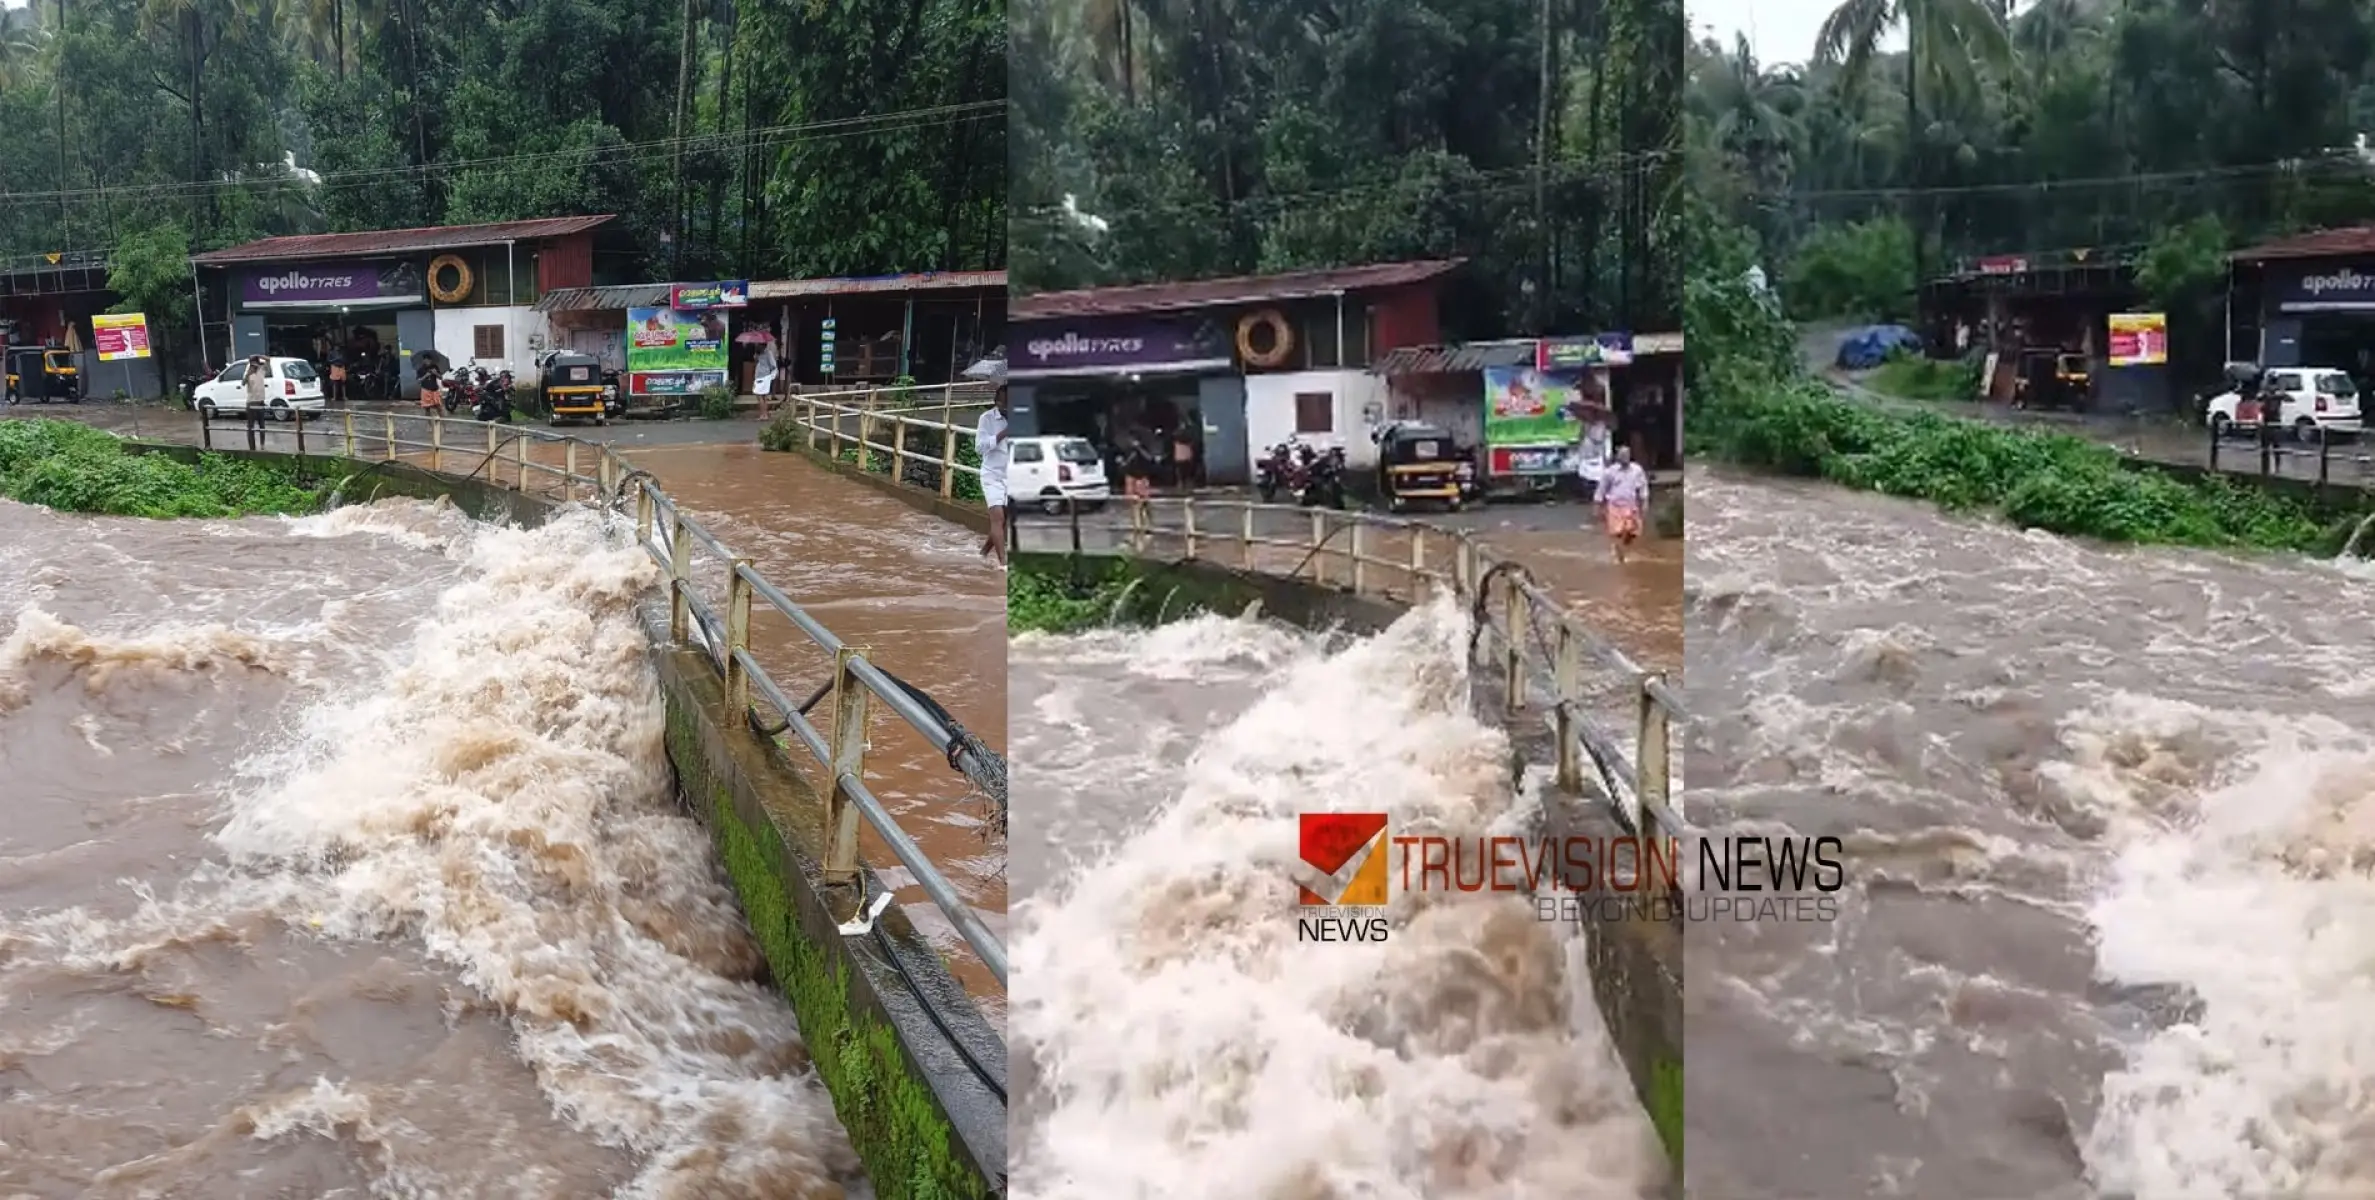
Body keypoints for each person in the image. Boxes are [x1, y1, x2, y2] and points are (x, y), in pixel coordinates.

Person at [1594, 445, 1650, 564]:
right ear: (1617, 457)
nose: (1625, 457)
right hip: (1615, 506)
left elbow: (1643, 486)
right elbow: (1601, 489)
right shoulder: (1610, 472)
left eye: (1627, 455)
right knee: (1618, 532)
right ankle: (1620, 556)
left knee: (1633, 531)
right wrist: (1597, 506)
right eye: (1622, 455)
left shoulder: (1636, 470)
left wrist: (1644, 502)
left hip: (1631, 505)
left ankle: (1620, 548)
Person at [975, 384, 1011, 566]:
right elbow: (979, 447)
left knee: (1005, 520)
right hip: (992, 475)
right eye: (1004, 403)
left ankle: (983, 553)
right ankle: (1003, 564)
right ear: (997, 402)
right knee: (998, 518)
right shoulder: (987, 418)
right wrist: (1002, 434)